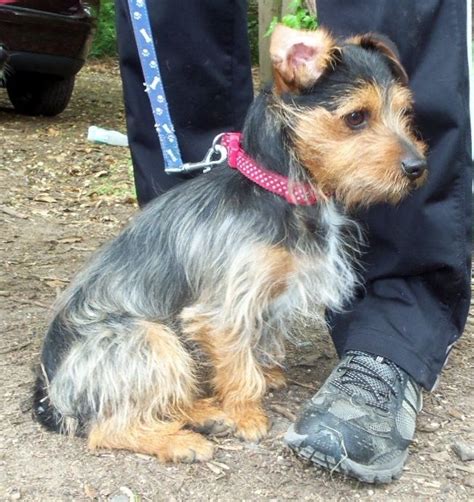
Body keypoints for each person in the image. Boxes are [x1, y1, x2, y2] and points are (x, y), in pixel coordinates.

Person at [115, 0, 472, 482]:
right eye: (356, 118)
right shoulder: (296, 82)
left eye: (400, 116)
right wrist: (241, 398)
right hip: (116, 345)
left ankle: (393, 327)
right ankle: (151, 404)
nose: (407, 150)